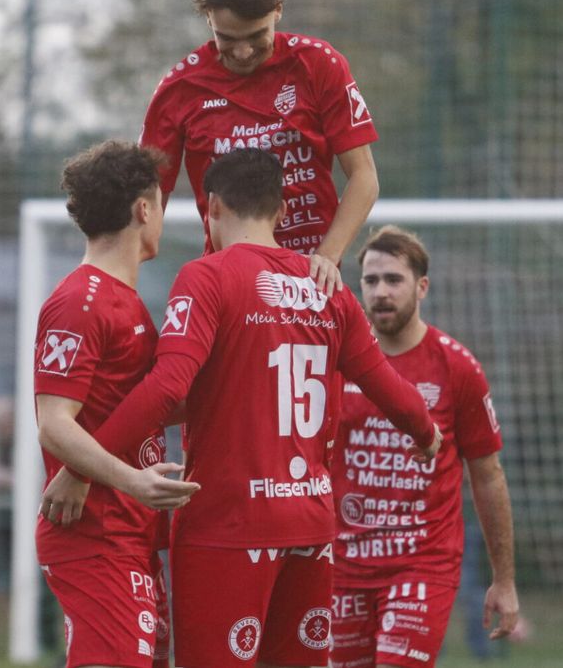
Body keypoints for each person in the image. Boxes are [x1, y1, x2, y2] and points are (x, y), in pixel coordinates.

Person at [44, 149, 439, 668]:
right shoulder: (328, 290)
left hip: (229, 527)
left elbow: (166, 387)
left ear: (212, 207)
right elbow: (388, 387)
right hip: (310, 525)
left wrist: (81, 467)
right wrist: (426, 431)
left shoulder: (208, 277)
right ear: (280, 212)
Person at [33, 140, 199, 668]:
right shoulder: (79, 303)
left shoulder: (123, 298)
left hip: (130, 530)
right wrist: (133, 481)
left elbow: (132, 405)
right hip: (96, 534)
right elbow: (53, 424)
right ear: (144, 209)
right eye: (162, 204)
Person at [141, 0, 381, 294]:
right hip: (230, 286)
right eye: (227, 38)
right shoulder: (178, 89)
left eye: (256, 37)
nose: (242, 52)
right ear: (208, 16)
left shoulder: (318, 65)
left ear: (278, 10)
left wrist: (327, 257)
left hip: (312, 283)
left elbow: (364, 177)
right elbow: (148, 198)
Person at [329, 225, 519, 668]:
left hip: (421, 563)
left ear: (422, 287)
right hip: (344, 566)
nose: (381, 292)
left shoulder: (457, 368)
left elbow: (489, 476)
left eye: (394, 279)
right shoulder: (336, 362)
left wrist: (504, 580)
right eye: (371, 281)